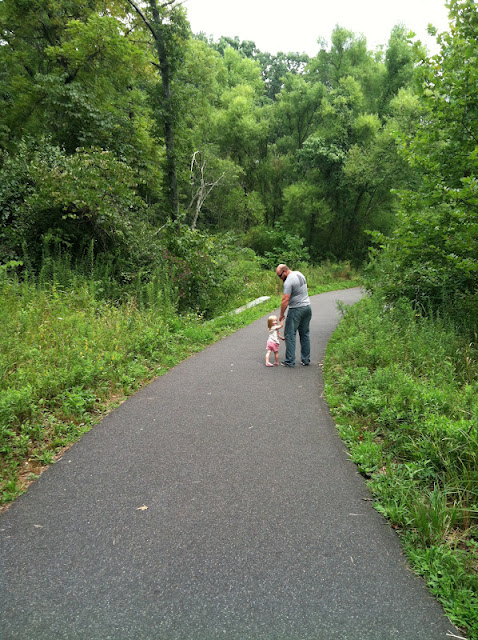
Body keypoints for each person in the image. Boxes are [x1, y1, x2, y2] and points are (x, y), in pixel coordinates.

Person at [276, 263, 312, 367]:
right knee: (305, 334)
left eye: (280, 276)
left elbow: (285, 299)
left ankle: (289, 361)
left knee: (290, 334)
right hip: (307, 307)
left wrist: (281, 314)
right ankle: (306, 359)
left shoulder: (289, 281)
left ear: (285, 271)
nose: (280, 278)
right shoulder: (299, 274)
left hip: (296, 309)